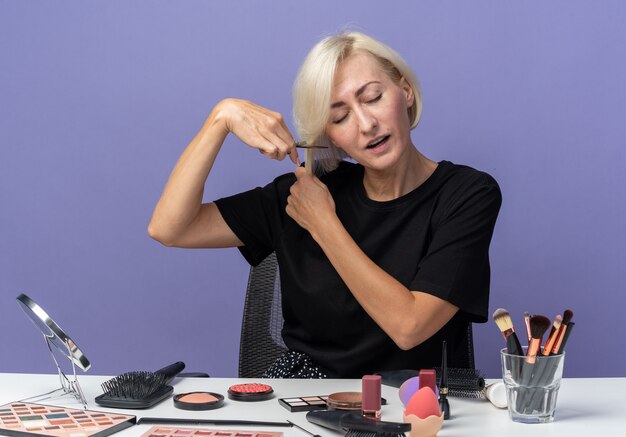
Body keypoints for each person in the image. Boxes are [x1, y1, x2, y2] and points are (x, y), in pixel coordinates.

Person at [148, 31, 501, 378]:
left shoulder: (467, 194)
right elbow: (169, 228)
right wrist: (220, 119)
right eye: (340, 117)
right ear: (329, 136)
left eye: (373, 97)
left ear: (405, 91)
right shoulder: (304, 190)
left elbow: (409, 327)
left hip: (413, 407)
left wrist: (323, 223)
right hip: (303, 404)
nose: (366, 124)